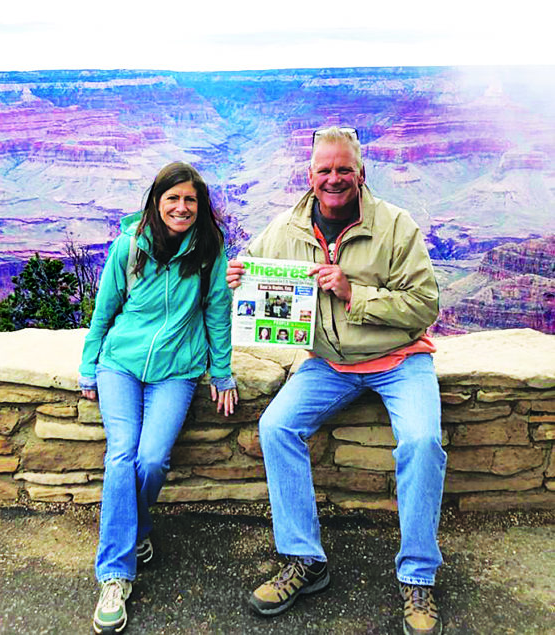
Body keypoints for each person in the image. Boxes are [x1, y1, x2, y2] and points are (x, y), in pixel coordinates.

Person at [227, 127, 445, 635]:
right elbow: (251, 269)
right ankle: (305, 560)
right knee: (276, 426)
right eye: (324, 169)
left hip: (399, 359)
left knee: (422, 441)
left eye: (343, 168)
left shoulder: (396, 226)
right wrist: (239, 276)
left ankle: (417, 578)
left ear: (361, 172)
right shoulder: (288, 228)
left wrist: (356, 293)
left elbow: (425, 305)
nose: (334, 178)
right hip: (327, 364)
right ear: (309, 175)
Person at [79, 162, 238, 634]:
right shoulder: (129, 247)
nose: (182, 208)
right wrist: (89, 366)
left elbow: (216, 314)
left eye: (190, 200)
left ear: (200, 205)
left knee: (151, 460)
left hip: (177, 370)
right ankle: (115, 574)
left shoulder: (210, 250)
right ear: (156, 201)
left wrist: (223, 373)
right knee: (121, 456)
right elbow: (103, 310)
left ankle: (138, 528)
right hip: (120, 365)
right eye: (173, 199)